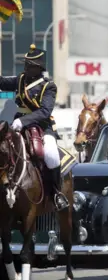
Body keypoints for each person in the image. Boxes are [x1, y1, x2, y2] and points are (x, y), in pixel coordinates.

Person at [0, 44, 68, 211]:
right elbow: (2, 82)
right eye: (26, 64)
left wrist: (24, 121)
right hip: (17, 125)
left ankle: (56, 193)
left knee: (51, 155)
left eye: (30, 65)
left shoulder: (48, 86)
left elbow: (45, 111)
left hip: (41, 126)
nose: (26, 68)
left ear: (39, 68)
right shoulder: (20, 79)